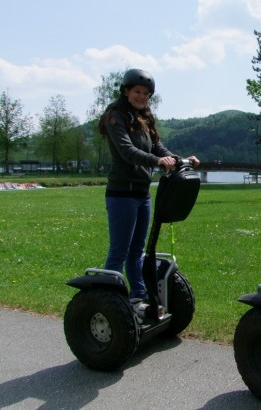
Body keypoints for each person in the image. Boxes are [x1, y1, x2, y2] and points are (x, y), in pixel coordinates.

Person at [98, 68, 200, 315]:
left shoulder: (144, 118)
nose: (141, 97)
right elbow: (127, 151)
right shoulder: (115, 116)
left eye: (146, 93)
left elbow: (158, 147)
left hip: (142, 194)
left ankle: (137, 300)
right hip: (121, 193)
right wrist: (157, 162)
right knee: (119, 251)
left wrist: (180, 159)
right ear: (126, 91)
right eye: (137, 92)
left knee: (137, 251)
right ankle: (105, 302)